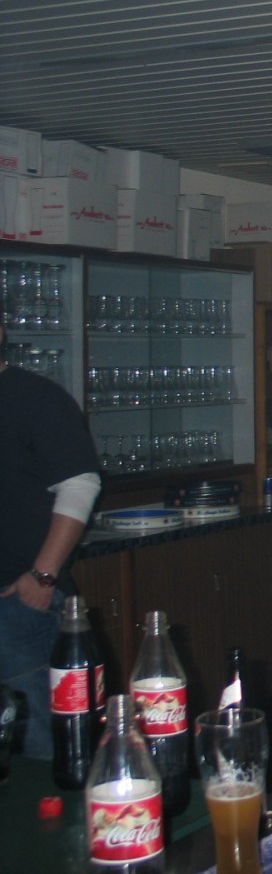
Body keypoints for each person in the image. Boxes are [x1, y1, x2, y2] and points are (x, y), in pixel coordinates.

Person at [0, 324, 102, 758]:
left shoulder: (35, 397)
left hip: (19, 602)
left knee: (41, 746)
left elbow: (79, 485)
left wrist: (43, 576)